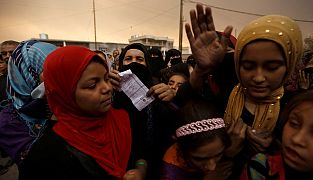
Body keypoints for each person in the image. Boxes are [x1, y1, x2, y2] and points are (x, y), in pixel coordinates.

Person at [180, 4, 303, 179]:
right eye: (248, 66)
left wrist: (276, 149)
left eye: (272, 67)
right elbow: (185, 106)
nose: (259, 77)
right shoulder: (225, 97)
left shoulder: (295, 109)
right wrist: (201, 70)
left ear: (289, 65)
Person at [19, 46, 132, 180]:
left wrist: (141, 167)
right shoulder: (47, 155)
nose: (107, 88)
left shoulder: (120, 119)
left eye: (106, 79)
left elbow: (138, 154)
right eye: (92, 85)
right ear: (65, 93)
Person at [109, 43, 177, 179]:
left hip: (153, 165)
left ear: (147, 64)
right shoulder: (110, 91)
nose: (134, 63)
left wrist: (172, 101)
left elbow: (170, 128)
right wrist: (105, 89)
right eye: (128, 59)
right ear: (121, 64)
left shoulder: (157, 91)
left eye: (140, 59)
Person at [0, 40, 57, 177]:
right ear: (28, 71)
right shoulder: (8, 120)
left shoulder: (69, 98)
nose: (61, 74)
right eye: (51, 69)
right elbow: (40, 163)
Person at [240, 89, 313, 179]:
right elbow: (220, 124)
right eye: (294, 124)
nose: (296, 139)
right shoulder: (261, 167)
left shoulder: (286, 99)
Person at [161, 99, 230, 180]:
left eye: (218, 155)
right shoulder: (171, 173)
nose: (212, 167)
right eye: (199, 159)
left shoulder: (232, 145)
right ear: (181, 148)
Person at [0, 40, 19, 106]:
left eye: (11, 52)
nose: (8, 56)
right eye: (4, 53)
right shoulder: (2, 79)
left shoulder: (28, 75)